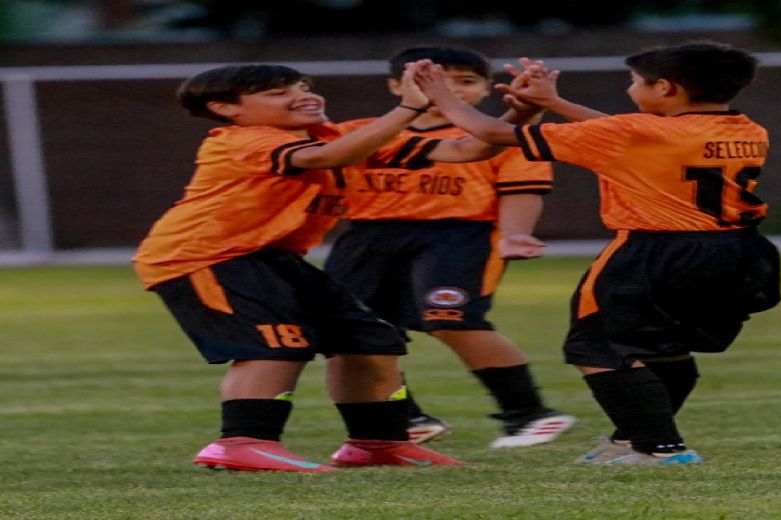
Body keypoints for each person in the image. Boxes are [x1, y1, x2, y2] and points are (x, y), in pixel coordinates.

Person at [132, 62, 520, 472]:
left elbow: (467, 150)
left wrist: (525, 109)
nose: (302, 96)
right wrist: (408, 108)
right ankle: (242, 442)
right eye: (278, 92)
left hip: (270, 255)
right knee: (277, 342)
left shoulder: (336, 137)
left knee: (369, 340)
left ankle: (378, 444)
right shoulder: (242, 139)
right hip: (204, 254)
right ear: (226, 108)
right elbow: (326, 158)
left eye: (302, 87)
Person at [413, 42, 781, 464]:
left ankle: (661, 448)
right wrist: (554, 103)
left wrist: (441, 95)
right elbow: (623, 133)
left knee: (597, 345)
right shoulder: (748, 129)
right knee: (664, 346)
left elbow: (495, 134)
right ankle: (632, 440)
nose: (630, 89)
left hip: (657, 250)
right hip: (739, 251)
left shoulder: (635, 133)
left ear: (665, 88)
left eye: (635, 82)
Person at [324, 46, 575, 448]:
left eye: (466, 81)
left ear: (486, 89)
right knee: (352, 331)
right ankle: (405, 419)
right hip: (367, 236)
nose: (451, 90)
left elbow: (521, 189)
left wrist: (515, 233)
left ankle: (529, 414)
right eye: (434, 81)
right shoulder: (362, 132)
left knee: (452, 319)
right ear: (396, 86)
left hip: (458, 235)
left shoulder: (498, 135)